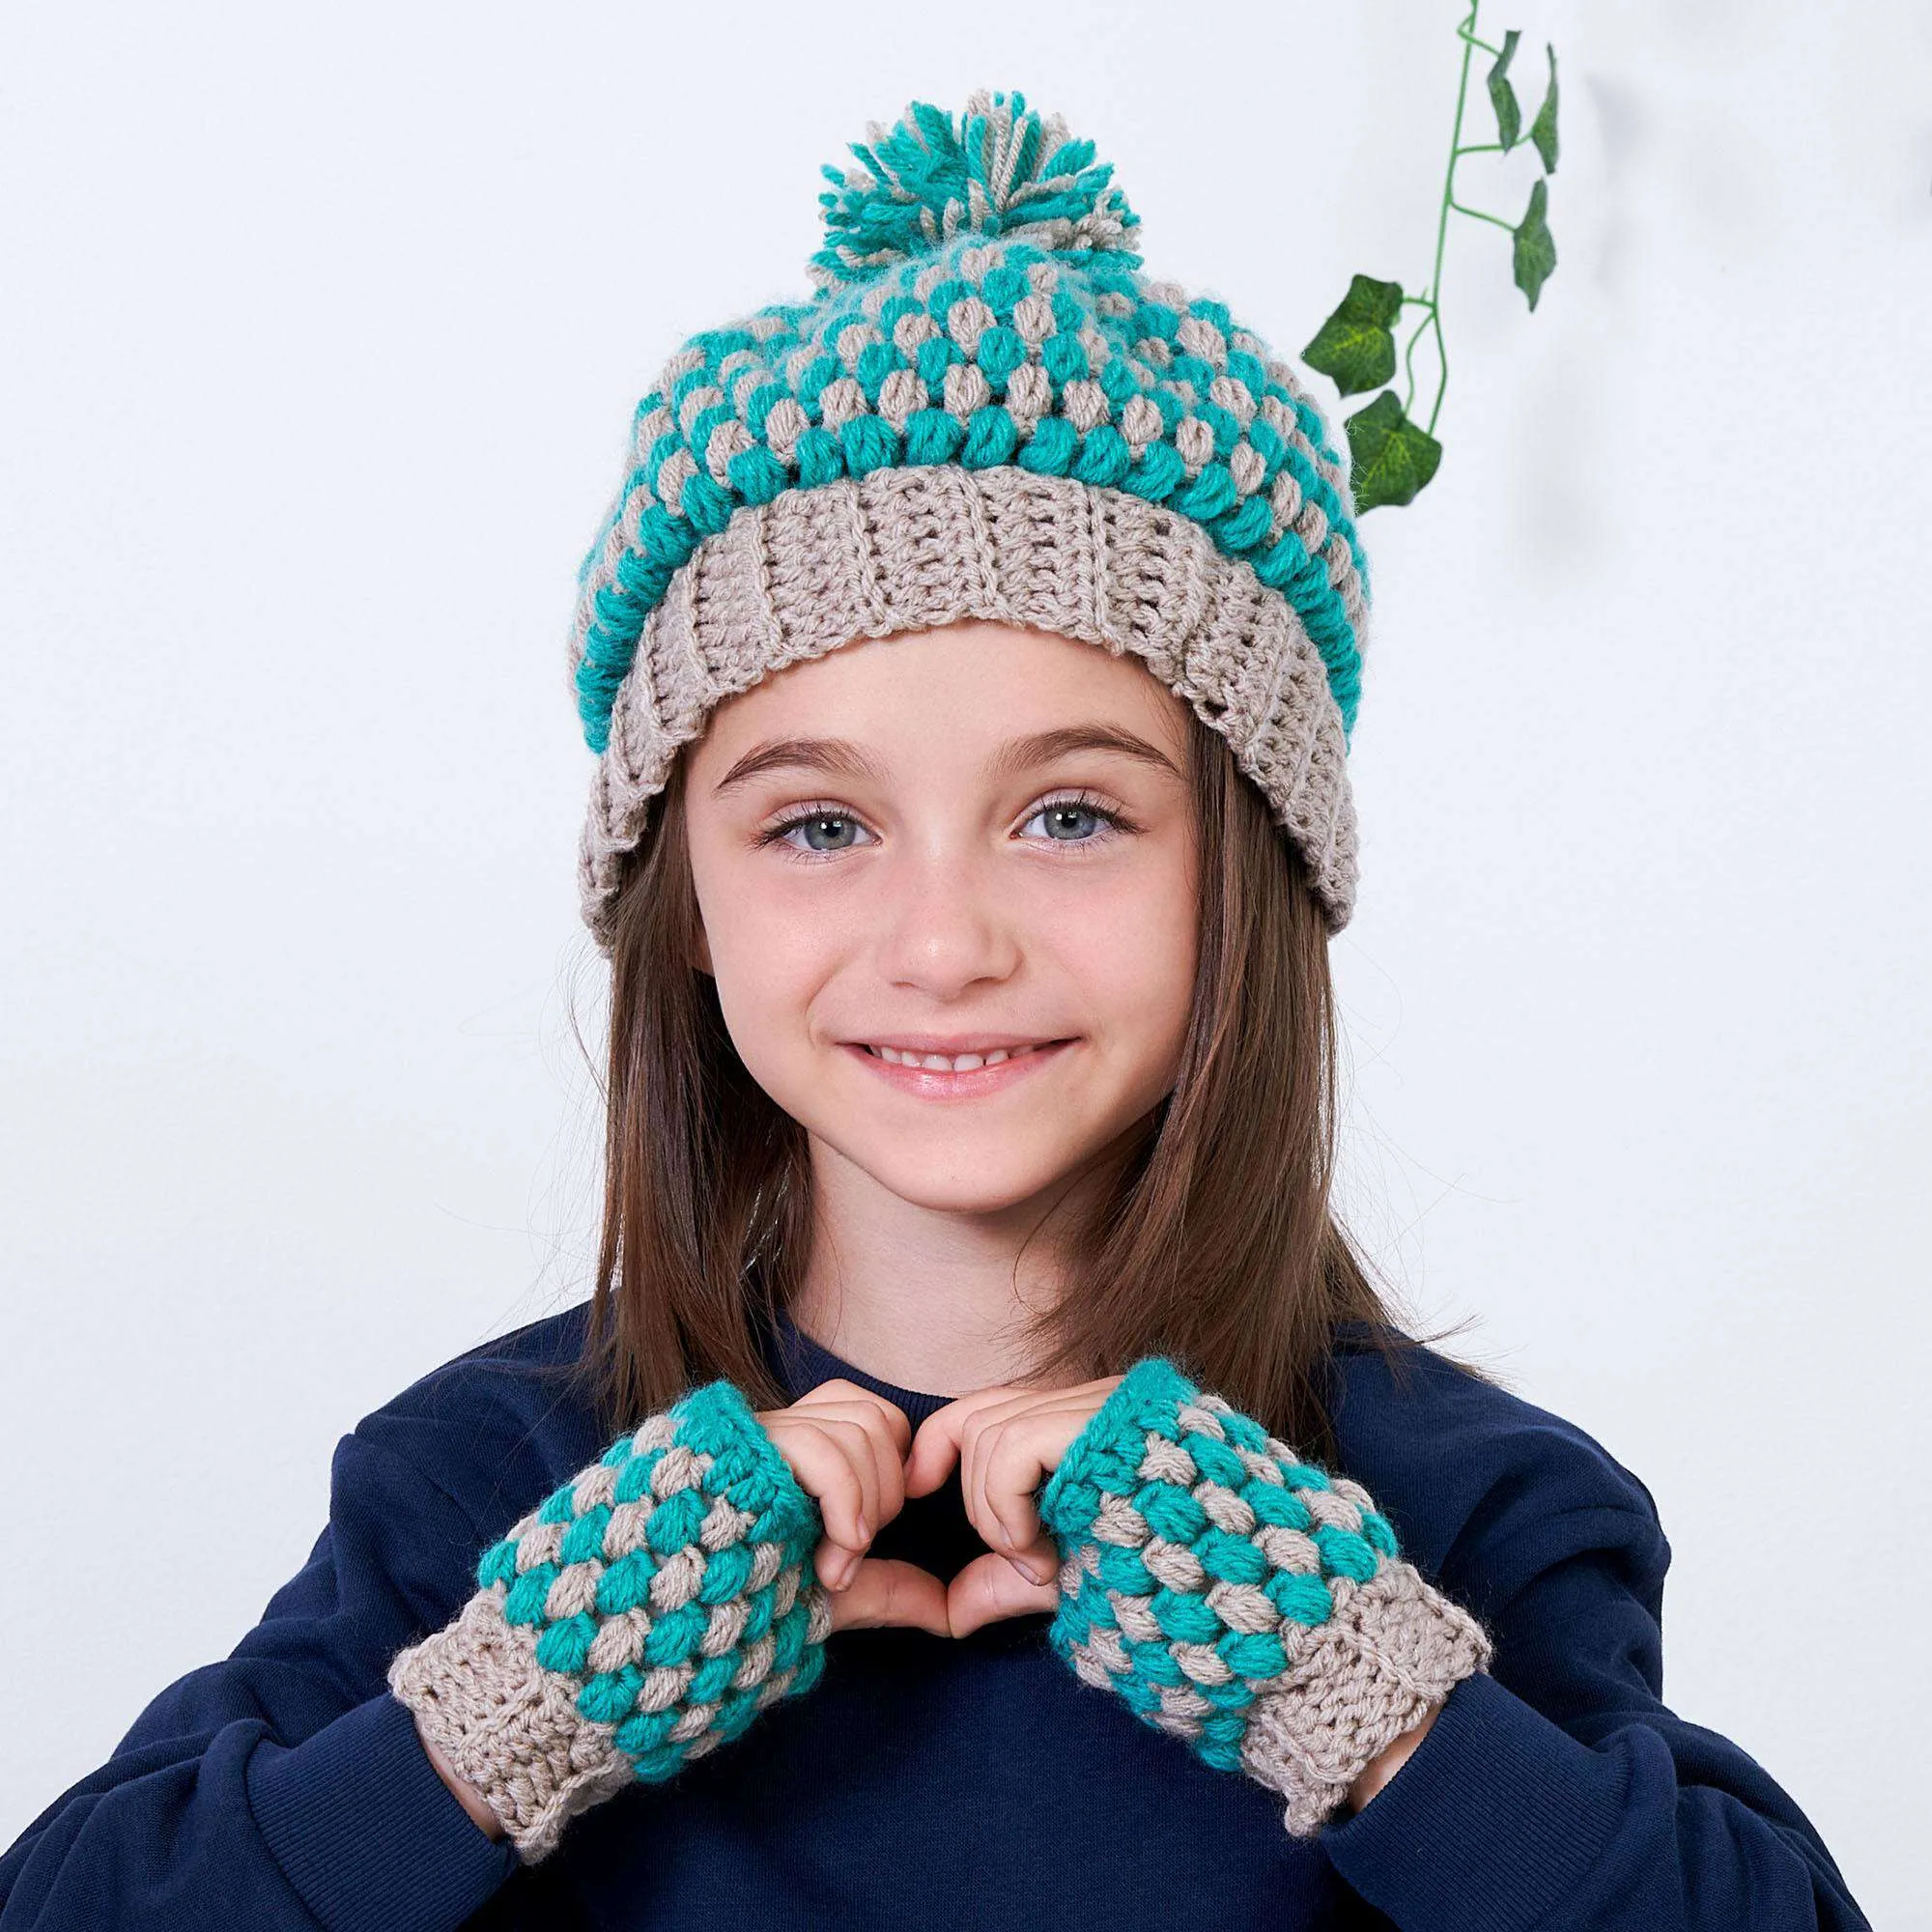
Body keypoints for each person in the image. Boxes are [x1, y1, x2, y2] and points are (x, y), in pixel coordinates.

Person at [0, 88, 1871, 1932]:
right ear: (684, 910)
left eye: (1070, 815)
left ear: (1254, 868)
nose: (943, 936)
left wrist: (1365, 1703)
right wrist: (511, 1715)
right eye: (819, 825)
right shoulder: (488, 1482)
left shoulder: (1458, 1508)